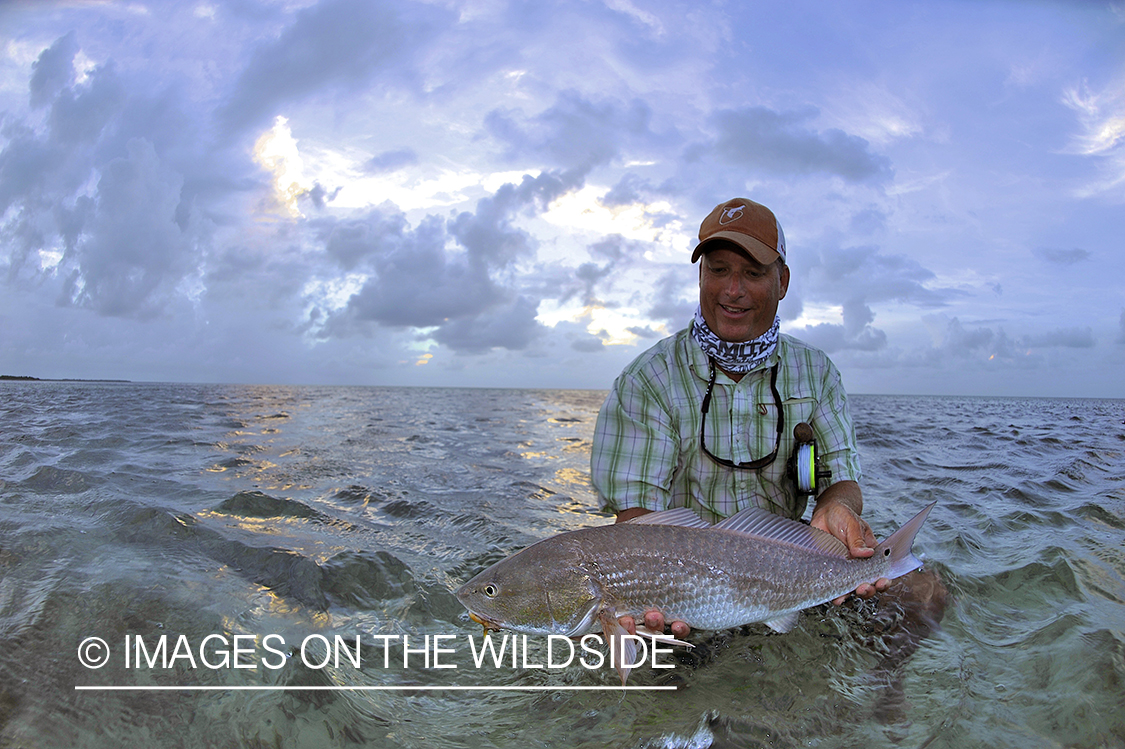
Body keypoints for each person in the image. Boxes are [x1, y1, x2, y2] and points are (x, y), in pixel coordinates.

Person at [591, 197, 891, 639]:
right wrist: (653, 592)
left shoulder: (818, 371)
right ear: (699, 275)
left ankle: (883, 705)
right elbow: (636, 518)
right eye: (718, 270)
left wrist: (838, 510)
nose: (733, 290)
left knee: (925, 593)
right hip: (682, 592)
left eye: (752, 273)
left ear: (782, 281)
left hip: (789, 569)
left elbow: (840, 480)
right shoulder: (646, 379)